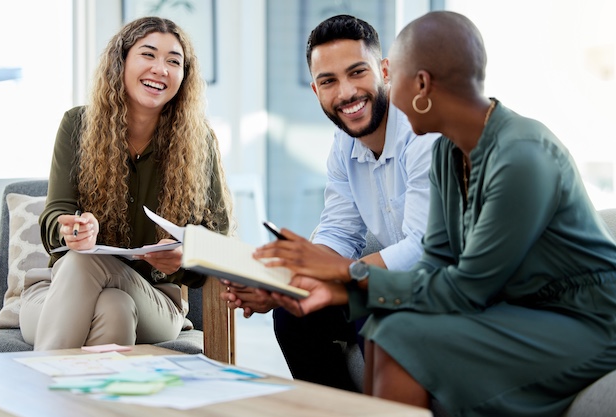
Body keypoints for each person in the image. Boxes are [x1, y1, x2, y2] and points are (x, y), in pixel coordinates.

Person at [253, 10, 616, 417]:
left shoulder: (521, 155)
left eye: (395, 75)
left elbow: (467, 287)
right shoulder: (448, 149)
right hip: (513, 304)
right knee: (389, 330)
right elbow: (438, 258)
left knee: (397, 333)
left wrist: (344, 279)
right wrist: (323, 284)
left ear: (420, 83)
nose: (388, 94)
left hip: (583, 318)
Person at [221, 14, 438, 391]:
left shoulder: (422, 134)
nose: (346, 93)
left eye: (357, 72)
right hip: (385, 278)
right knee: (293, 316)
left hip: (432, 285)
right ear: (315, 90)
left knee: (369, 306)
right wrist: (280, 285)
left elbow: (421, 248)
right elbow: (339, 231)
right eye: (329, 81)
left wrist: (335, 273)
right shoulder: (344, 145)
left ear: (384, 70)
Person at [18, 16, 233, 350]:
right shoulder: (77, 125)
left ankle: (38, 392)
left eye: (173, 61)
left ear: (184, 76)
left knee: (87, 267)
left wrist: (184, 256)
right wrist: (73, 230)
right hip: (55, 292)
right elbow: (56, 214)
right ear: (121, 61)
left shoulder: (199, 141)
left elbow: (218, 241)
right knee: (113, 307)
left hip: (155, 300)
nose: (161, 69)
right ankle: (92, 403)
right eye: (148, 55)